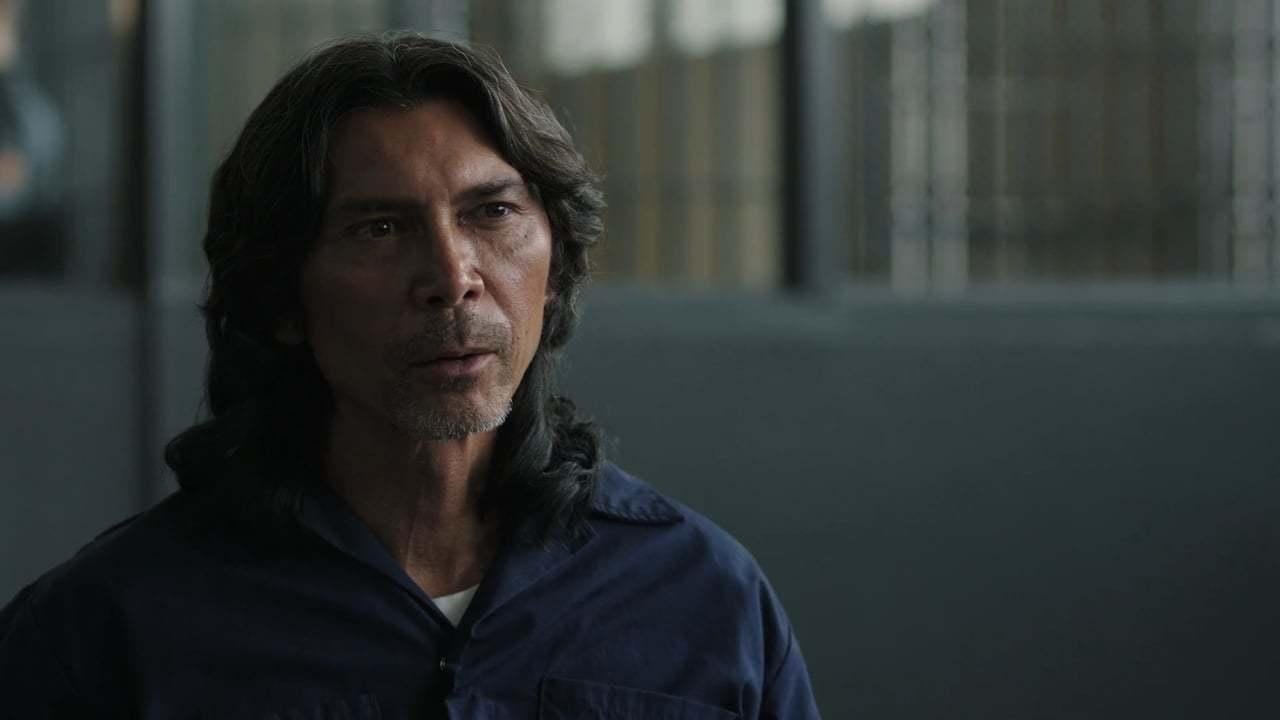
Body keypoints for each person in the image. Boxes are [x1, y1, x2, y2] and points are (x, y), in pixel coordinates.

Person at [0, 33, 820, 718]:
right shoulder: (110, 628)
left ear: (556, 265)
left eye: (492, 213)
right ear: (281, 299)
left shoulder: (702, 595)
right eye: (381, 229)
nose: (453, 277)